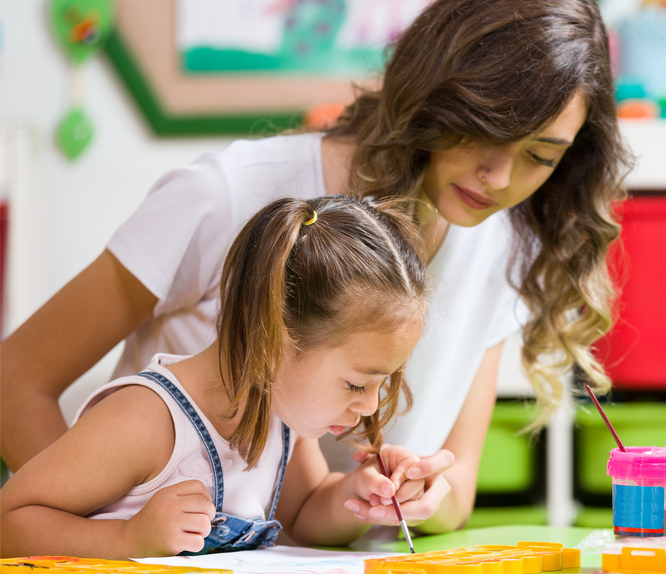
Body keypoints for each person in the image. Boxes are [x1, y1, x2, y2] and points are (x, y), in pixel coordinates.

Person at [0, 0, 630, 533]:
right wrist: (99, 535)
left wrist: (417, 495)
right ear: (437, 92)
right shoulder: (230, 195)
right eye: (485, 131)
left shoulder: (501, 243)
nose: (499, 177)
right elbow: (16, 380)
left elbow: (454, 482)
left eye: (540, 157)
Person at [0, 195, 432, 558]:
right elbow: (10, 522)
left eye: (385, 383)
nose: (372, 405)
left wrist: (357, 494)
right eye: (357, 383)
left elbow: (304, 518)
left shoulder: (280, 417)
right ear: (276, 339)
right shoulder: (146, 421)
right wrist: (128, 538)